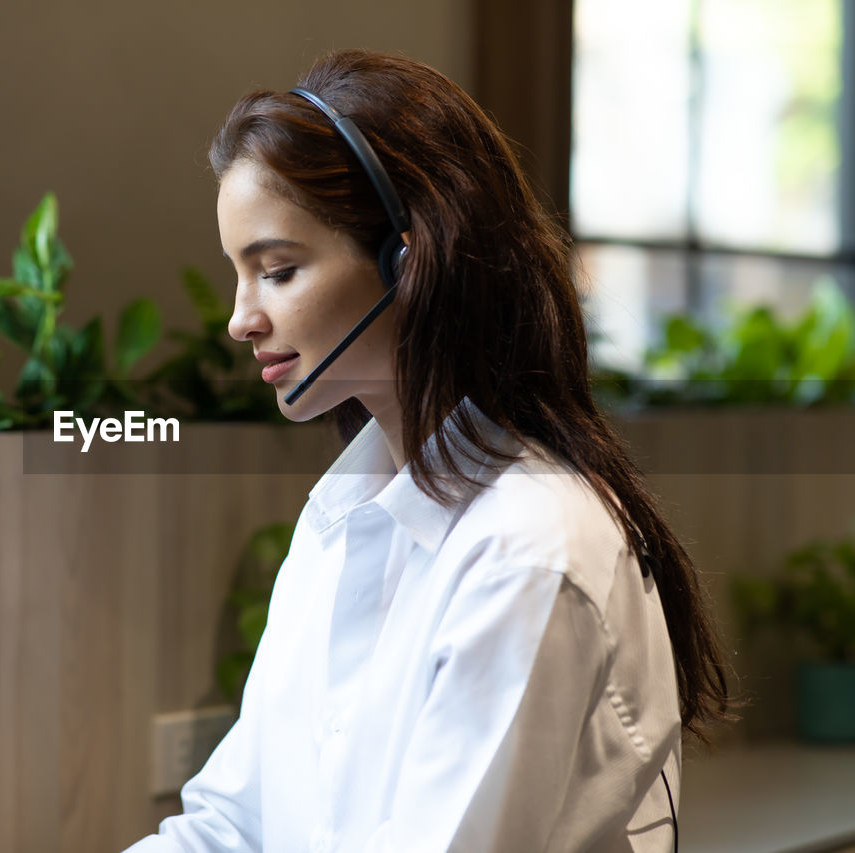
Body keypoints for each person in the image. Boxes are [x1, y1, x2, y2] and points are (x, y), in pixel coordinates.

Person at [126, 49, 732, 853]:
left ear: (410, 262)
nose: (241, 319)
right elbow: (235, 822)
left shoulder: (531, 548)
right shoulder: (340, 518)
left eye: (277, 270)